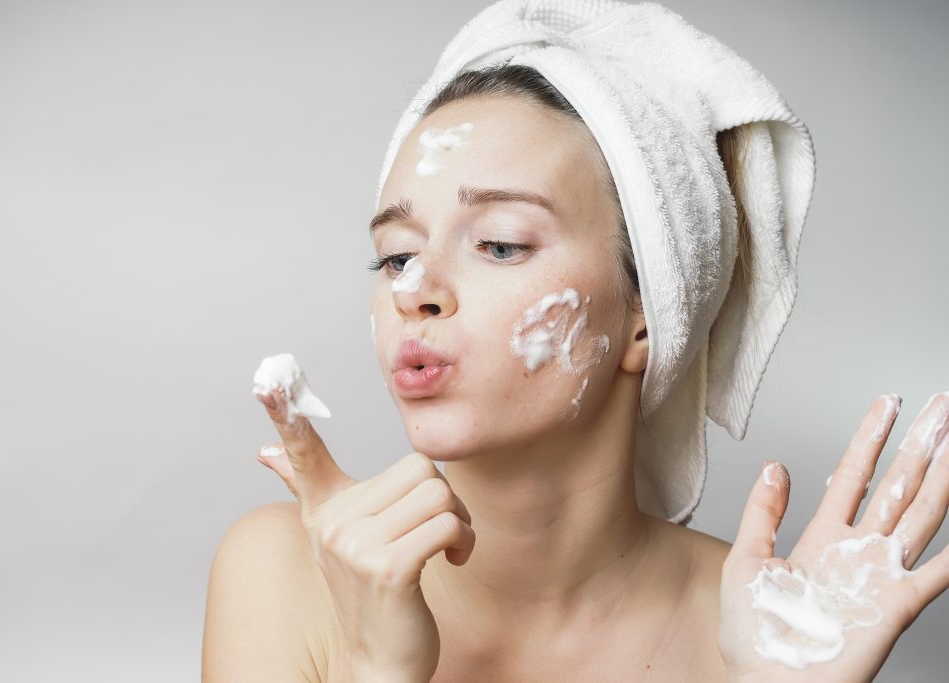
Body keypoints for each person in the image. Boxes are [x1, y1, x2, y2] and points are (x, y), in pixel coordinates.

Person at [202, 2, 949, 681]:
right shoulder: (284, 575)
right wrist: (374, 667)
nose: (413, 288)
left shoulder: (771, 624)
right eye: (396, 255)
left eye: (499, 244)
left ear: (646, 313)